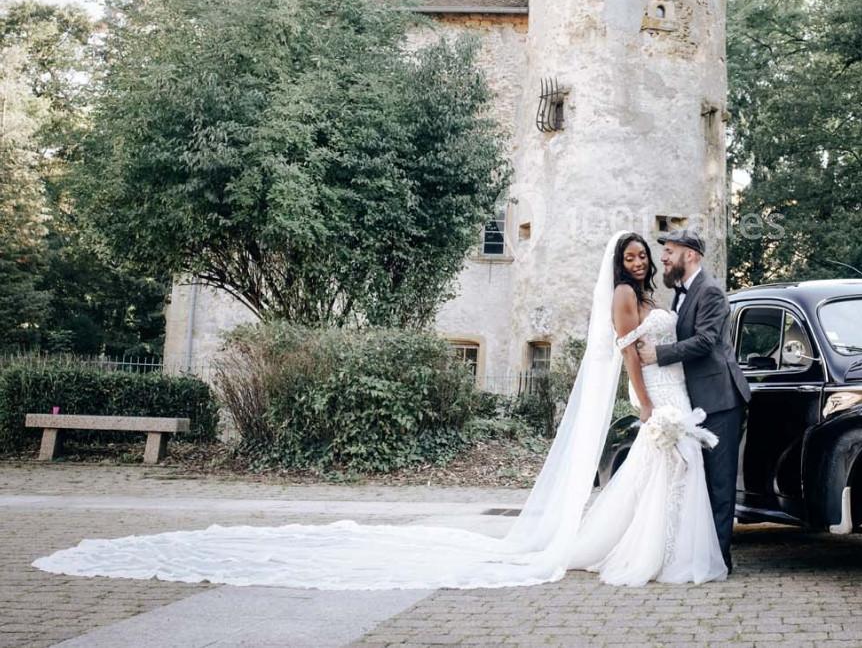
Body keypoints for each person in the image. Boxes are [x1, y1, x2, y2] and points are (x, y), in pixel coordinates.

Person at [33, 231, 727, 590]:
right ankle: (631, 551)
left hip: (673, 395)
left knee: (655, 479)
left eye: (648, 254)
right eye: (635, 254)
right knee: (653, 474)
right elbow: (630, 354)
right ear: (623, 262)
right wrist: (644, 404)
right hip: (659, 398)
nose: (642, 261)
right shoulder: (626, 298)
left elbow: (657, 343)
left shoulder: (658, 295)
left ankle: (643, 547)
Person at [641, 228, 750, 573]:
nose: (664, 258)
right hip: (693, 401)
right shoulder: (681, 293)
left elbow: (705, 341)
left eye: (670, 251)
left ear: (691, 255)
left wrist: (658, 355)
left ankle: (719, 561)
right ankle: (699, 553)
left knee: (719, 482)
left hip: (720, 399)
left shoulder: (712, 291)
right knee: (696, 480)